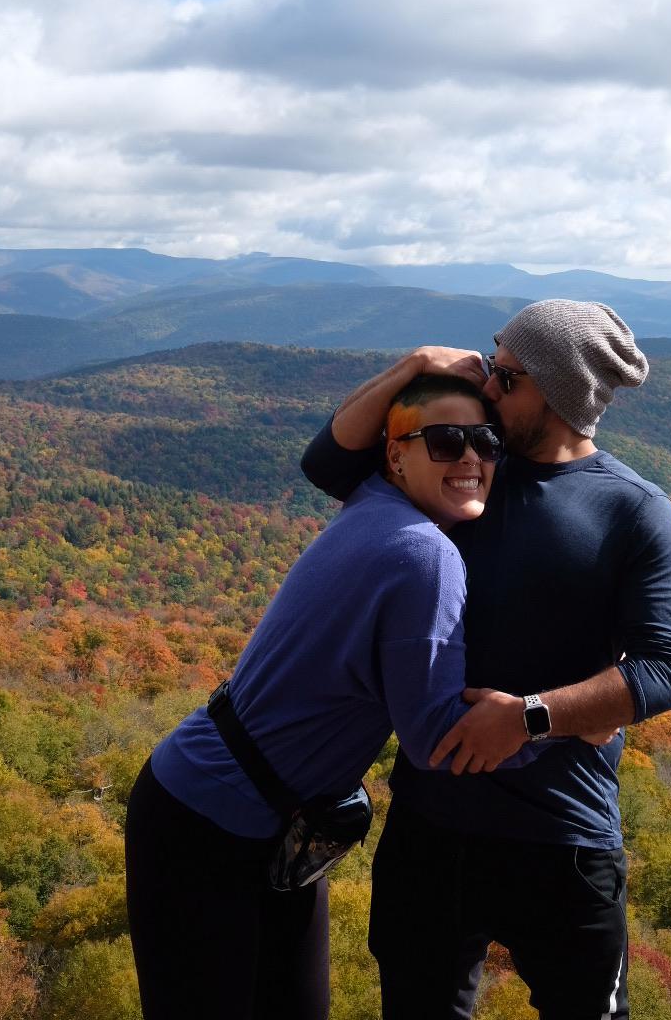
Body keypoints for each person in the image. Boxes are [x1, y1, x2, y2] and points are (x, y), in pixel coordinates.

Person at [301, 300, 671, 1020]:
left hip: (563, 833)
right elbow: (327, 463)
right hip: (432, 828)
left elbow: (666, 669)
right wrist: (416, 366)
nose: (486, 386)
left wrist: (529, 719)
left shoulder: (635, 511)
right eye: (490, 365)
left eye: (506, 376)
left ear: (558, 391)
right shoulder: (466, 468)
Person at [125, 371, 537, 1020]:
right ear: (395, 455)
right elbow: (436, 740)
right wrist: (557, 722)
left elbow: (329, 452)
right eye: (446, 440)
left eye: (486, 441)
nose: (470, 458)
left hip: (267, 824)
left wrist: (415, 364)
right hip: (204, 825)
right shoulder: (425, 555)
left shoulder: (375, 500)